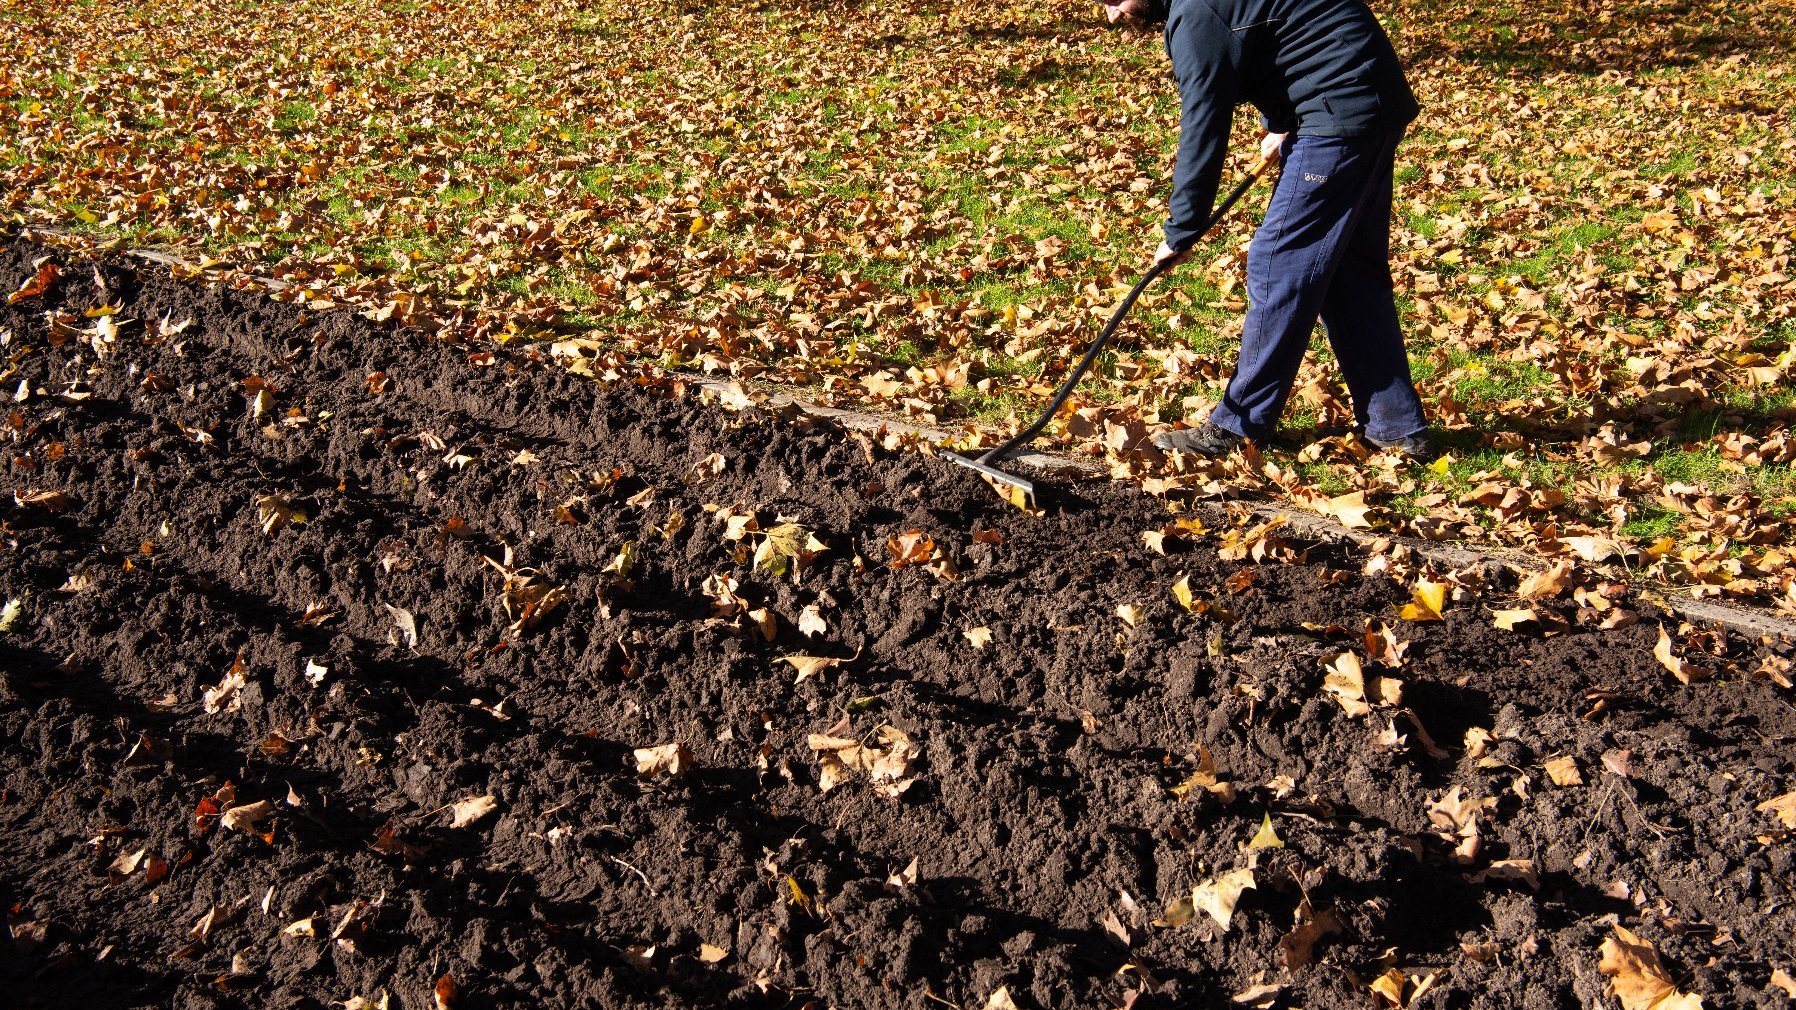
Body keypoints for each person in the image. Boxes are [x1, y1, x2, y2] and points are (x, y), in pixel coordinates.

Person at [1104, 0, 1437, 459]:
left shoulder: (1196, 14)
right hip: (1372, 99)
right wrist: (1282, 123)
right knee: (1349, 271)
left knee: (1278, 263)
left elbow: (1204, 122)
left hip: (1340, 112)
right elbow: (1288, 32)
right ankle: (1399, 427)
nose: (1112, 15)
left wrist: (1182, 229)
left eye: (1112, 1)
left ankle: (1239, 425)